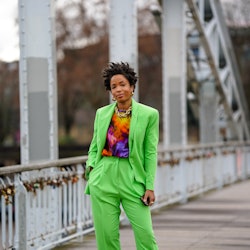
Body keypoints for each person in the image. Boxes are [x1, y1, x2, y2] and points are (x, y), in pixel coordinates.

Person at [84, 62, 159, 250]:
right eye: (113, 86)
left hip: (132, 178)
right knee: (107, 237)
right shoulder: (102, 114)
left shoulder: (149, 114)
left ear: (132, 87)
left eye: (122, 84)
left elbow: (150, 152)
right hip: (103, 177)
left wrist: (149, 186)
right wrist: (92, 169)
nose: (118, 89)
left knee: (146, 236)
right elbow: (94, 146)